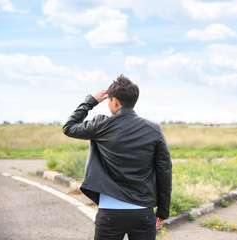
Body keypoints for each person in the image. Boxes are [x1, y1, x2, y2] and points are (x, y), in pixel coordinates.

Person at [62, 74, 172, 240]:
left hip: (110, 213)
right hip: (143, 213)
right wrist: (163, 211)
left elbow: (69, 127)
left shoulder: (102, 125)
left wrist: (91, 101)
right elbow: (164, 170)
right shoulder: (153, 130)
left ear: (114, 101)